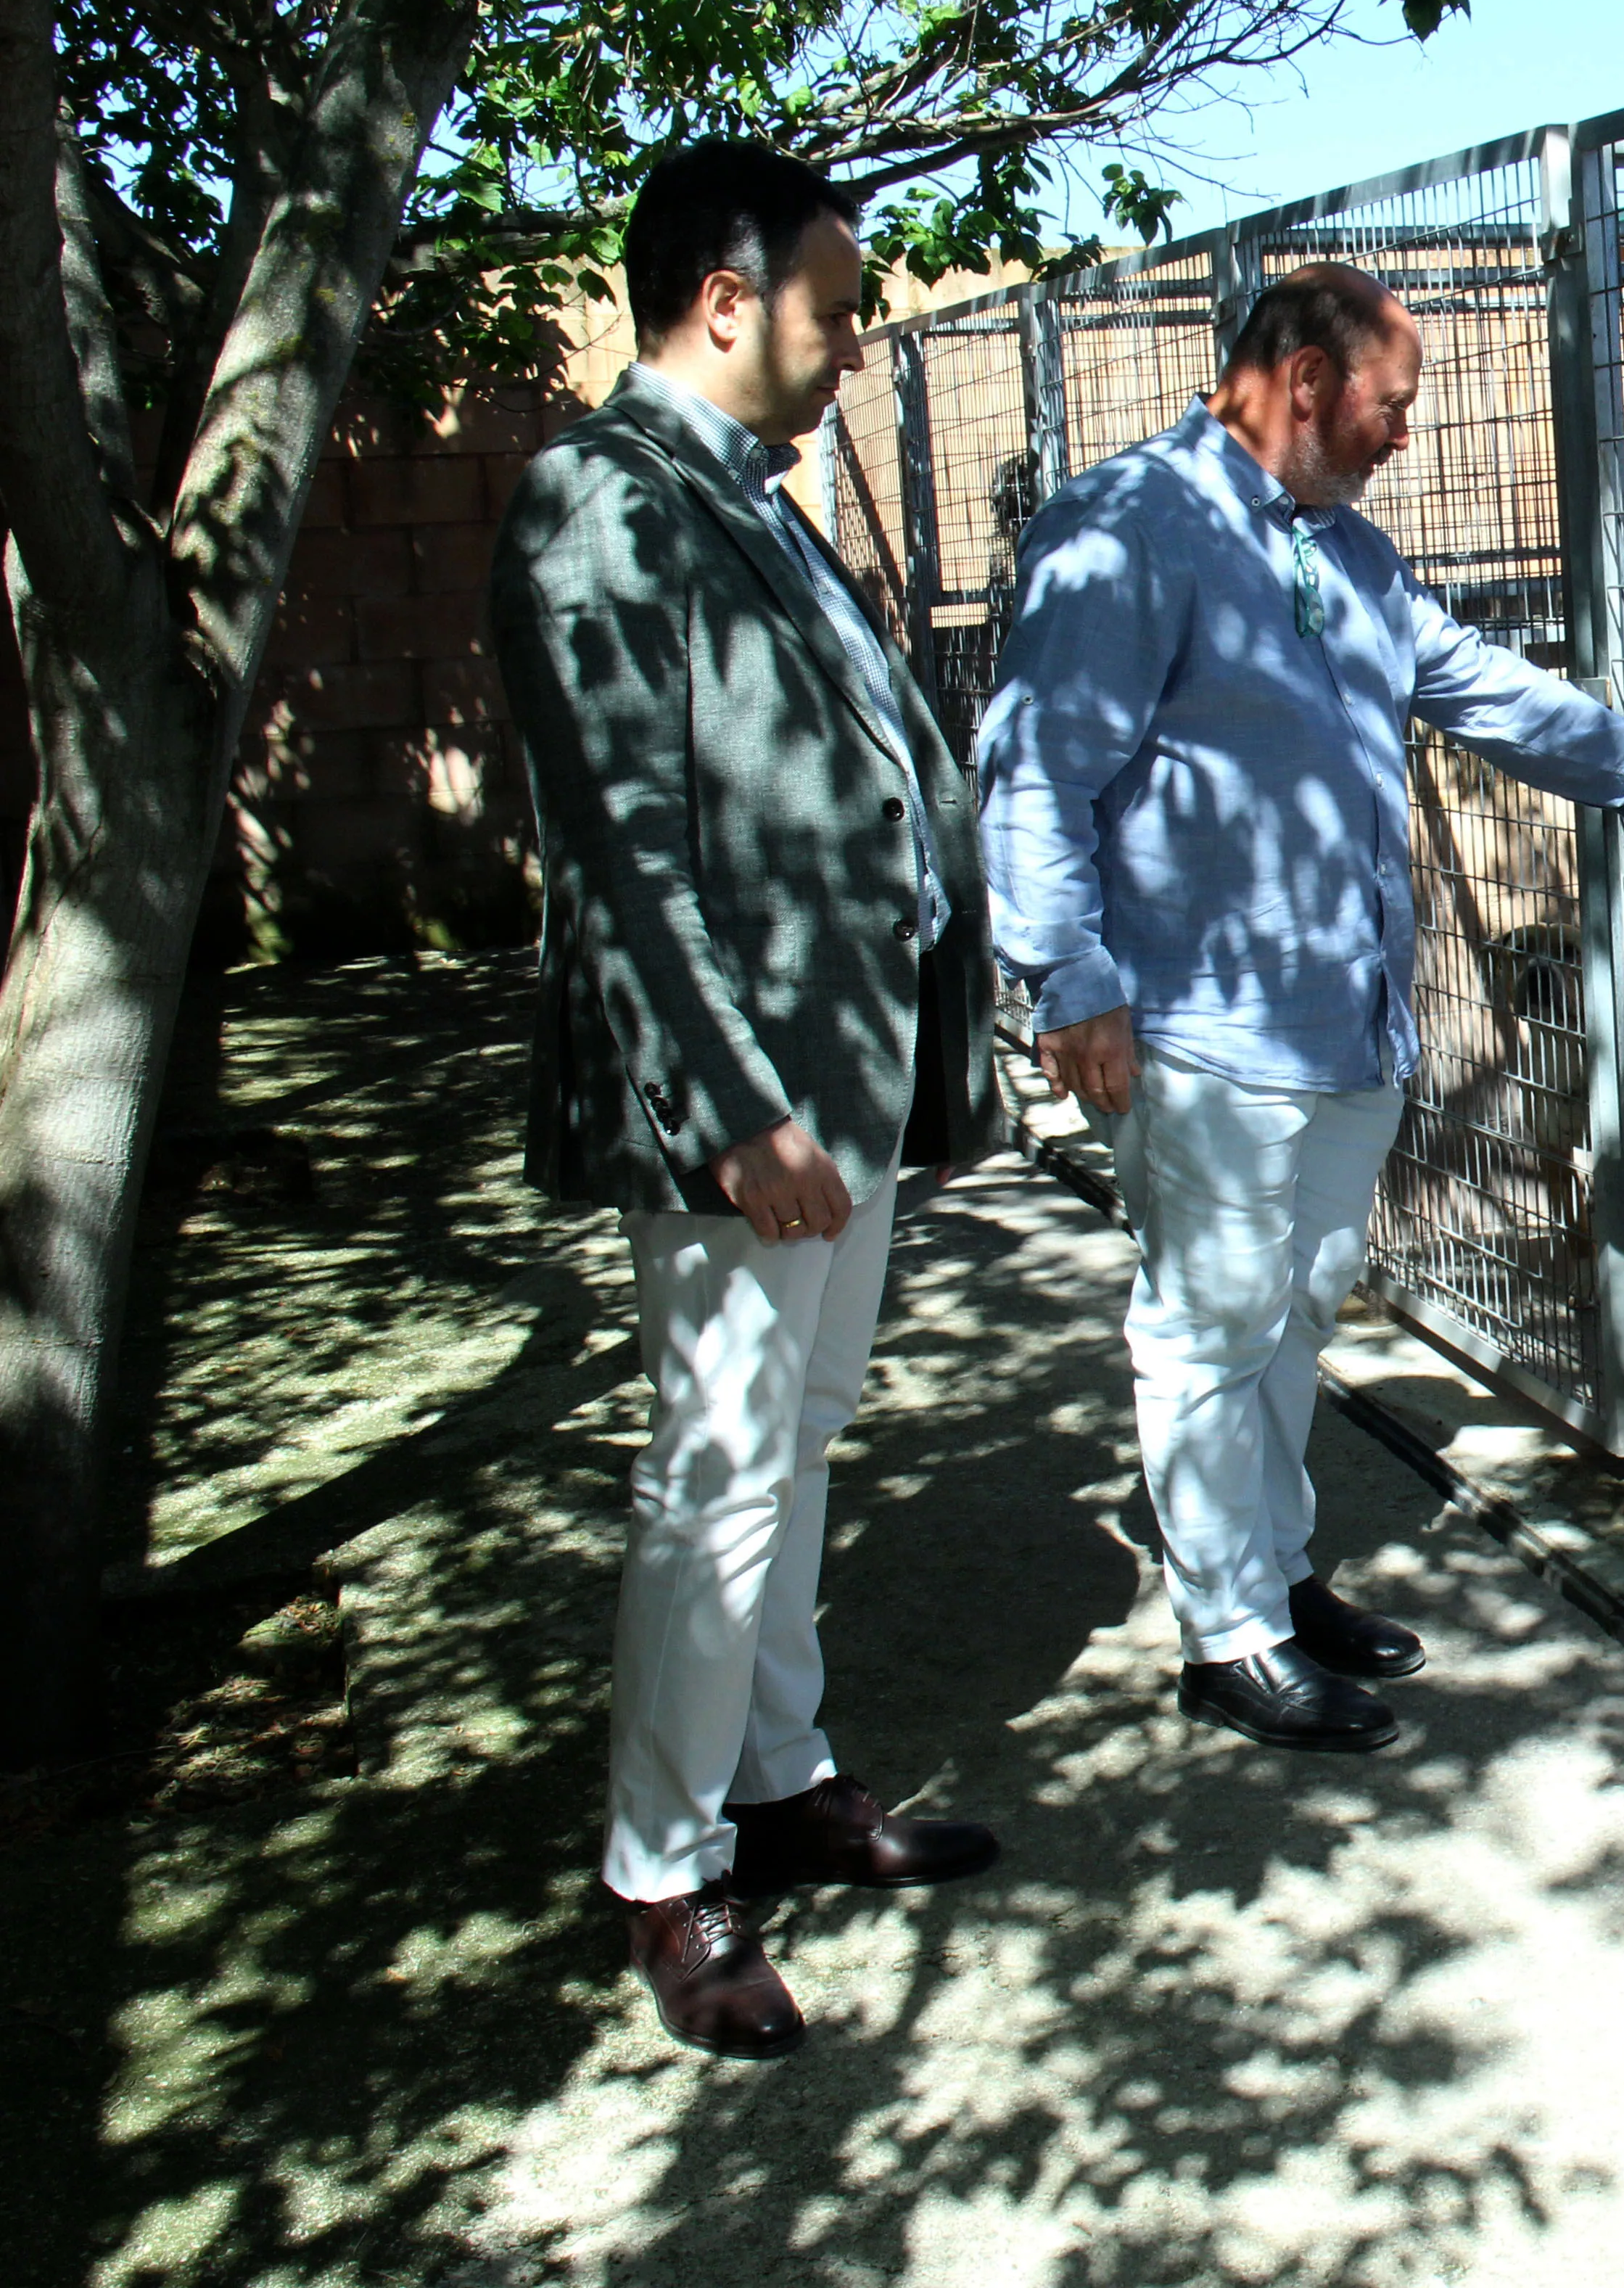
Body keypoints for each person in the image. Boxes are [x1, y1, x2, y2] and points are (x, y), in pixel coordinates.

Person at [976, 262, 1624, 1755]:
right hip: (1201, 1031)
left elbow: (1484, 688)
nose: (1403, 436)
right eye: (1392, 405)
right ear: (1303, 382)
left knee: (1295, 1308)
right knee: (1210, 1325)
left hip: (1340, 1026)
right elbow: (1037, 774)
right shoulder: (1129, 533)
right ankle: (1227, 1632)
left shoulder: (1343, 554)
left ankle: (1276, 1577)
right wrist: (1070, 979)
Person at [490, 139, 1005, 2060]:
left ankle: (782, 1780)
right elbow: (626, 852)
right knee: (712, 1480)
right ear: (730, 299)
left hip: (843, 1075)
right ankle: (660, 1871)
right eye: (840, 301)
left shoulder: (750, 499)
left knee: (802, 1433)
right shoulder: (595, 505)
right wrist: (735, 1103)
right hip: (752, 1101)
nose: (860, 336)